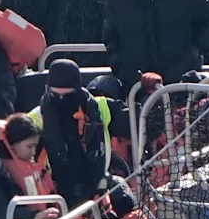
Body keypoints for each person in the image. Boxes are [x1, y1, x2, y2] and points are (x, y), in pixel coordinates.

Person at [28, 60, 132, 206]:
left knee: (124, 199)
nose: (61, 100)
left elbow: (140, 121)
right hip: (54, 195)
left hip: (96, 186)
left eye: (68, 96)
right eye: (55, 95)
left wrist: (150, 92)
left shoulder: (101, 107)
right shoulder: (35, 119)